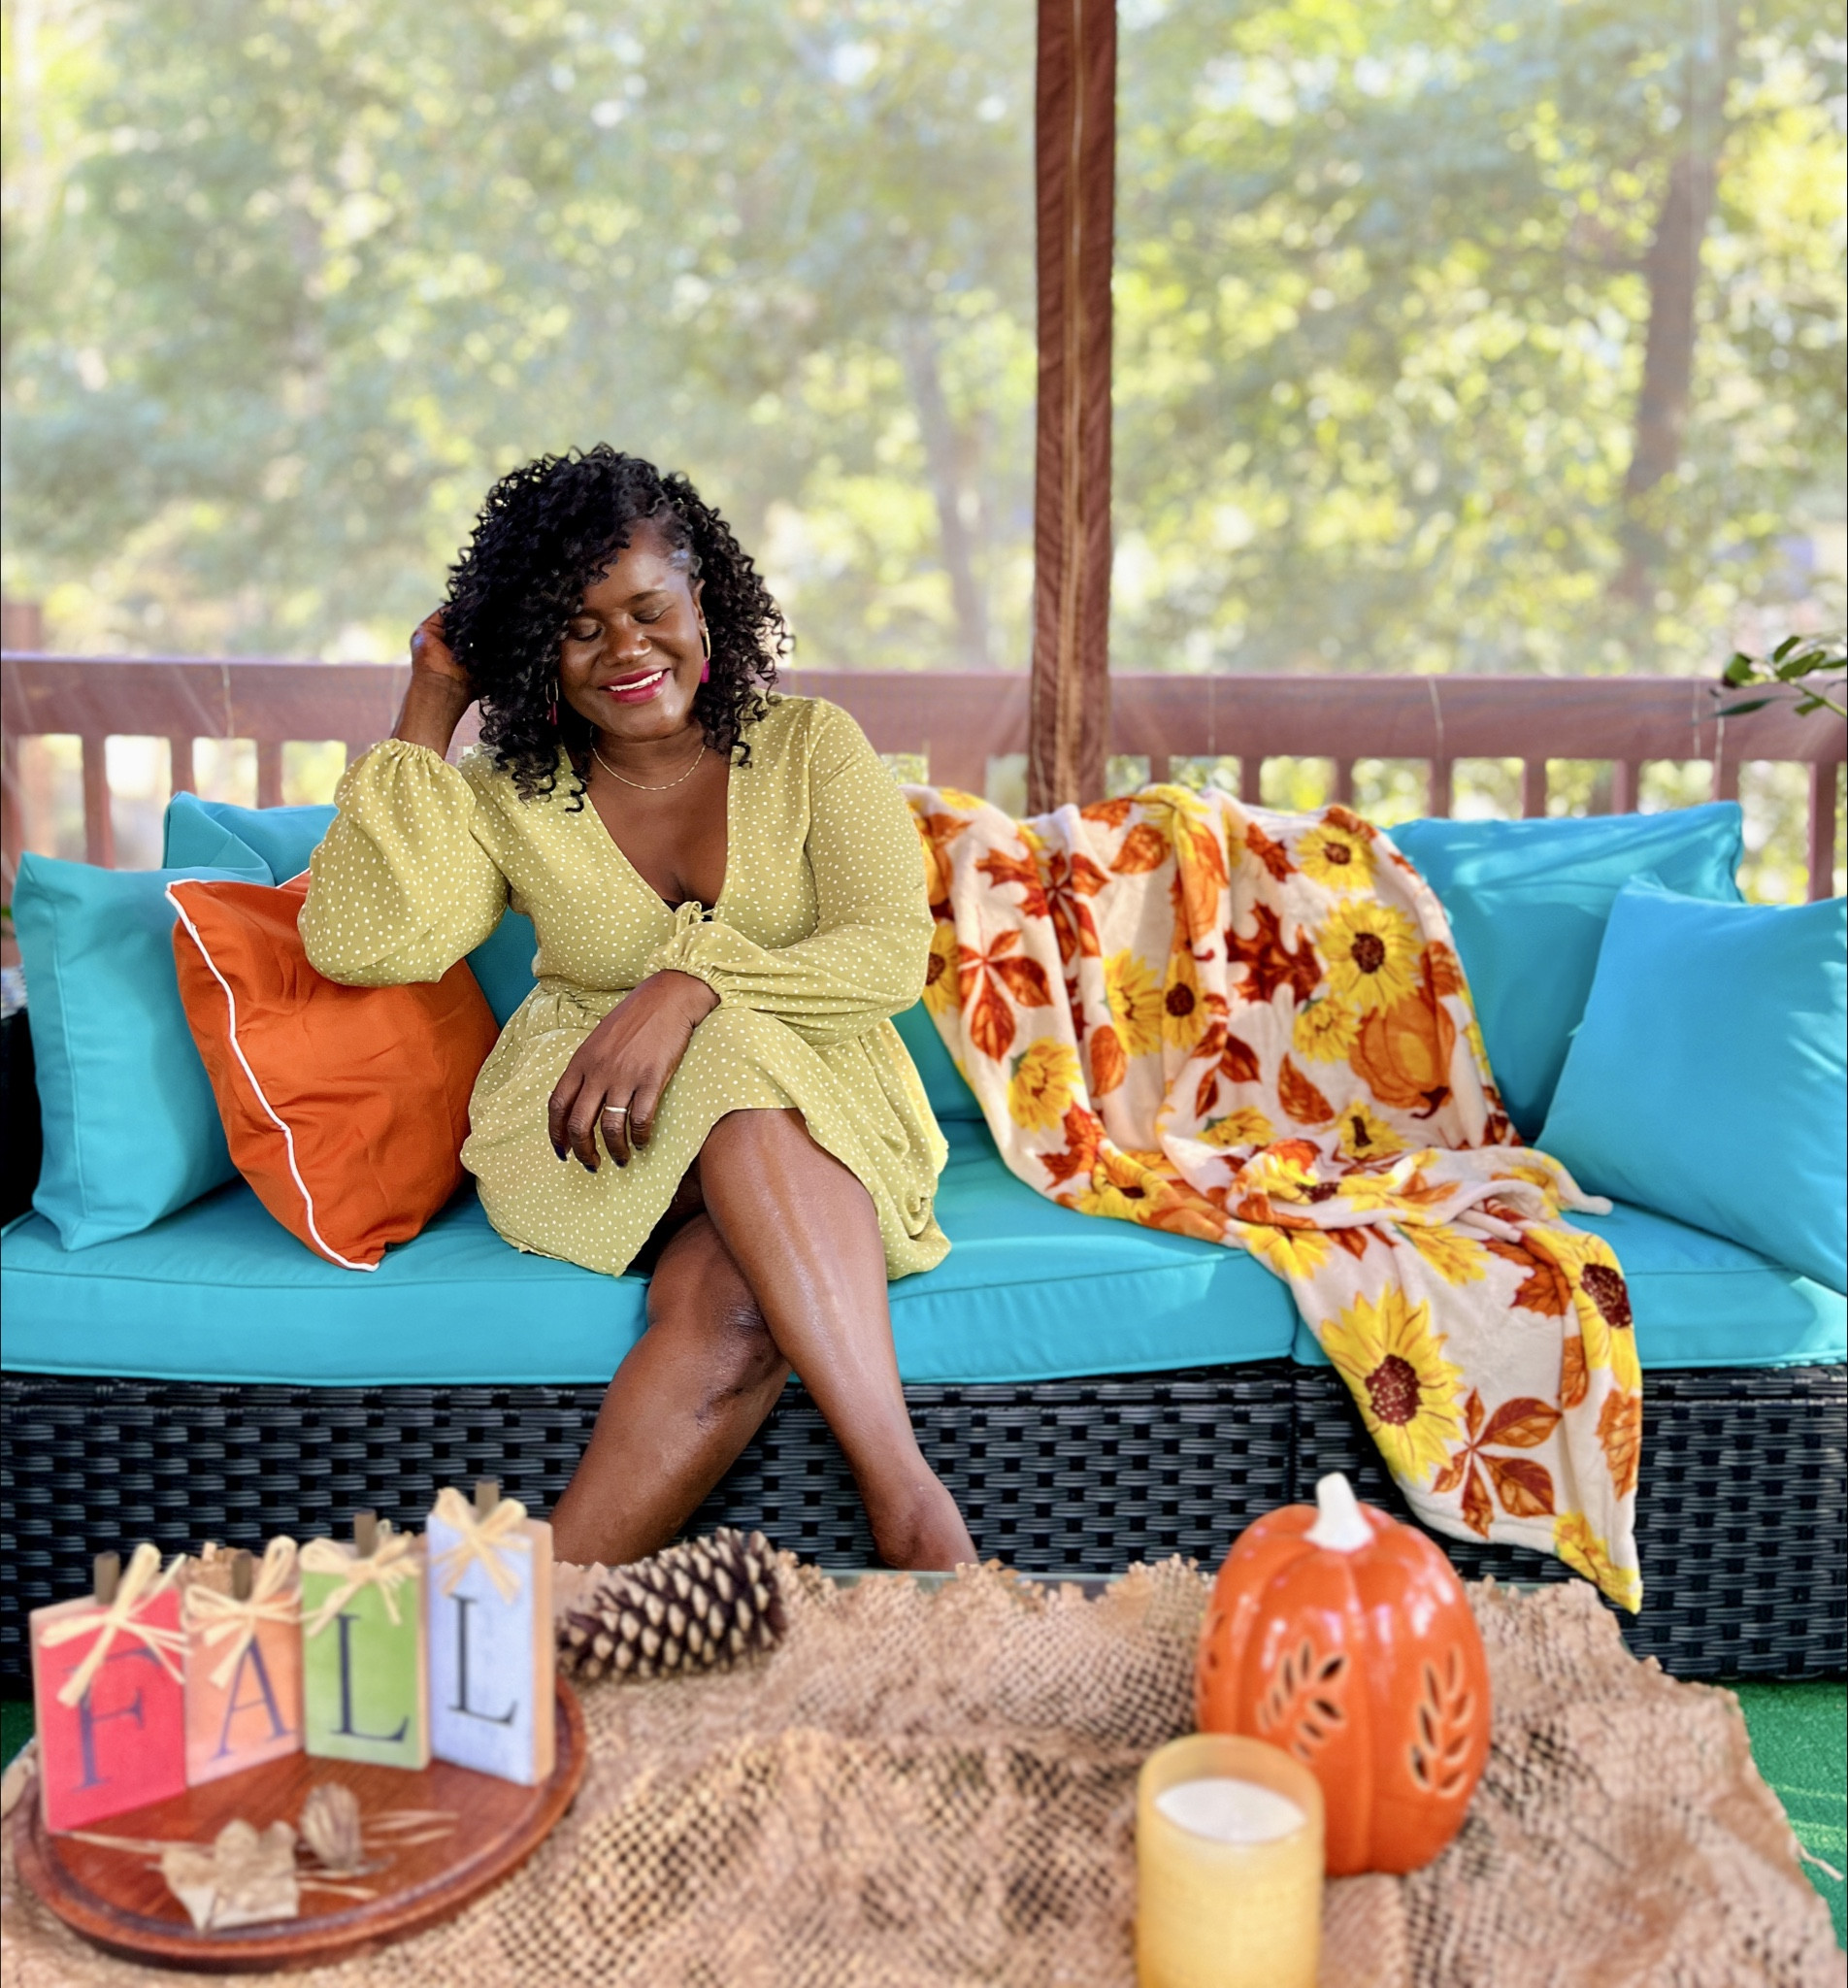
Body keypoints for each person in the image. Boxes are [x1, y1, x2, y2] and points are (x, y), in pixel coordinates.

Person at [300, 446, 975, 1571]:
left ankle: (541, 1613)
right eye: (578, 626)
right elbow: (369, 940)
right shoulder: (513, 792)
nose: (624, 648)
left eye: (646, 607)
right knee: (740, 1087)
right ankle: (914, 1513)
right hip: (595, 1128)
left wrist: (689, 983)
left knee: (744, 1238)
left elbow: (887, 953)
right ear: (534, 649)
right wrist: (428, 703)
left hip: (815, 1114)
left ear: (701, 597)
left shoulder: (812, 747)